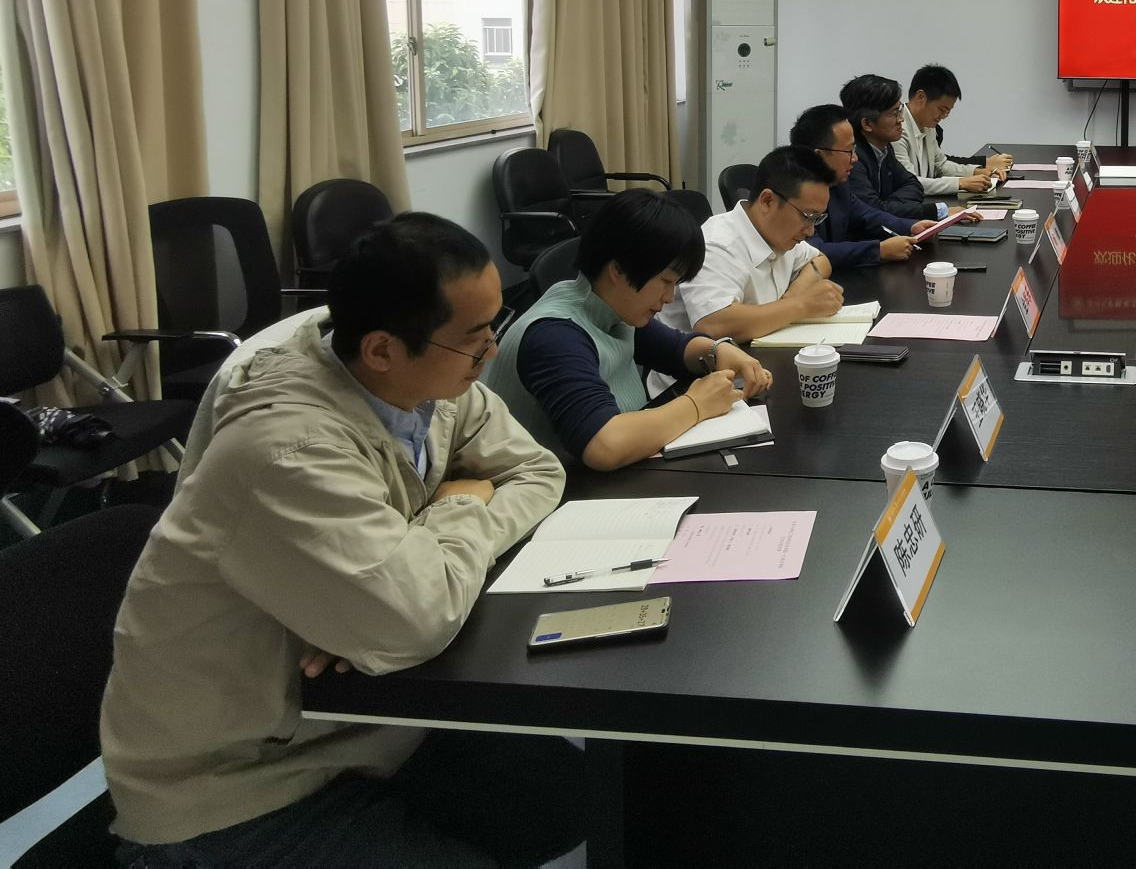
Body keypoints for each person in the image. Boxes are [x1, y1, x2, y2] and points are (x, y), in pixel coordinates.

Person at [100, 214, 581, 867]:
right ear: (381, 349)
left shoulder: (426, 378)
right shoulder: (287, 448)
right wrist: (462, 504)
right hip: (235, 784)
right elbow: (415, 620)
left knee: (565, 802)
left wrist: (410, 566)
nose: (492, 352)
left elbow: (536, 471)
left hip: (374, 724)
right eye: (475, 339)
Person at [489, 191, 771, 468]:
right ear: (619, 269)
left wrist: (718, 350)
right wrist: (697, 405)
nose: (669, 297)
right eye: (666, 281)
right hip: (552, 487)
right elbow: (604, 445)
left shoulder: (612, 305)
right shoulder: (554, 336)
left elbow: (675, 348)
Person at [669, 145, 846, 340]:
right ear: (767, 200)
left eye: (817, 219)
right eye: (807, 216)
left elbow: (820, 260)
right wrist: (801, 305)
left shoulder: (778, 234)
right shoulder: (718, 244)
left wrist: (792, 296)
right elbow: (713, 325)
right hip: (699, 360)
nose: (810, 230)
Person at [790, 101, 937, 268]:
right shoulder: (790, 193)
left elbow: (867, 215)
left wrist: (911, 226)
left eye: (855, 149)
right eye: (849, 151)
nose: (855, 158)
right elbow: (813, 251)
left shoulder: (837, 184)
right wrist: (879, 250)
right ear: (819, 156)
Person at [895, 63, 1012, 197]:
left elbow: (940, 165)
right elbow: (911, 183)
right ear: (921, 97)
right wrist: (961, 183)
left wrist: (977, 172)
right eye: (942, 109)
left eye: (948, 111)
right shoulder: (897, 129)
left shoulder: (927, 126)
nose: (944, 116)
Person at [841, 73, 937, 219]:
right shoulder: (852, 159)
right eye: (894, 113)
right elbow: (871, 211)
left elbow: (913, 184)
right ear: (867, 123)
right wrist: (884, 208)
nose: (901, 119)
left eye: (900, 110)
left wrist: (886, 206)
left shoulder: (884, 148)